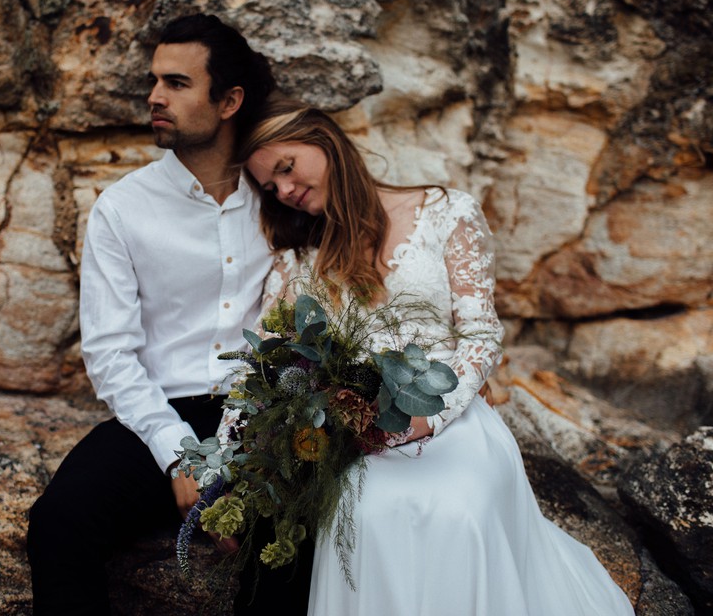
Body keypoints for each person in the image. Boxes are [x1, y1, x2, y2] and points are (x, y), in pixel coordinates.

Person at [233, 98, 636, 615]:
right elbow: (267, 366)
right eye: (270, 188)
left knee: (458, 511)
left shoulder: (447, 211)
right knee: (367, 515)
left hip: (454, 419)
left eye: (286, 168)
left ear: (324, 140)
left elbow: (481, 335)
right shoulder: (296, 263)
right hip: (358, 436)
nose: (284, 191)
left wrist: (431, 414)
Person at [26, 14, 311, 615]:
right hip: (158, 413)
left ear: (229, 100)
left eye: (177, 83)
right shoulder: (122, 209)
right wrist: (182, 455)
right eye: (155, 82)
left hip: (261, 416)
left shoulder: (283, 199)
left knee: (294, 543)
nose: (155, 97)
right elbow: (109, 353)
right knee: (59, 521)